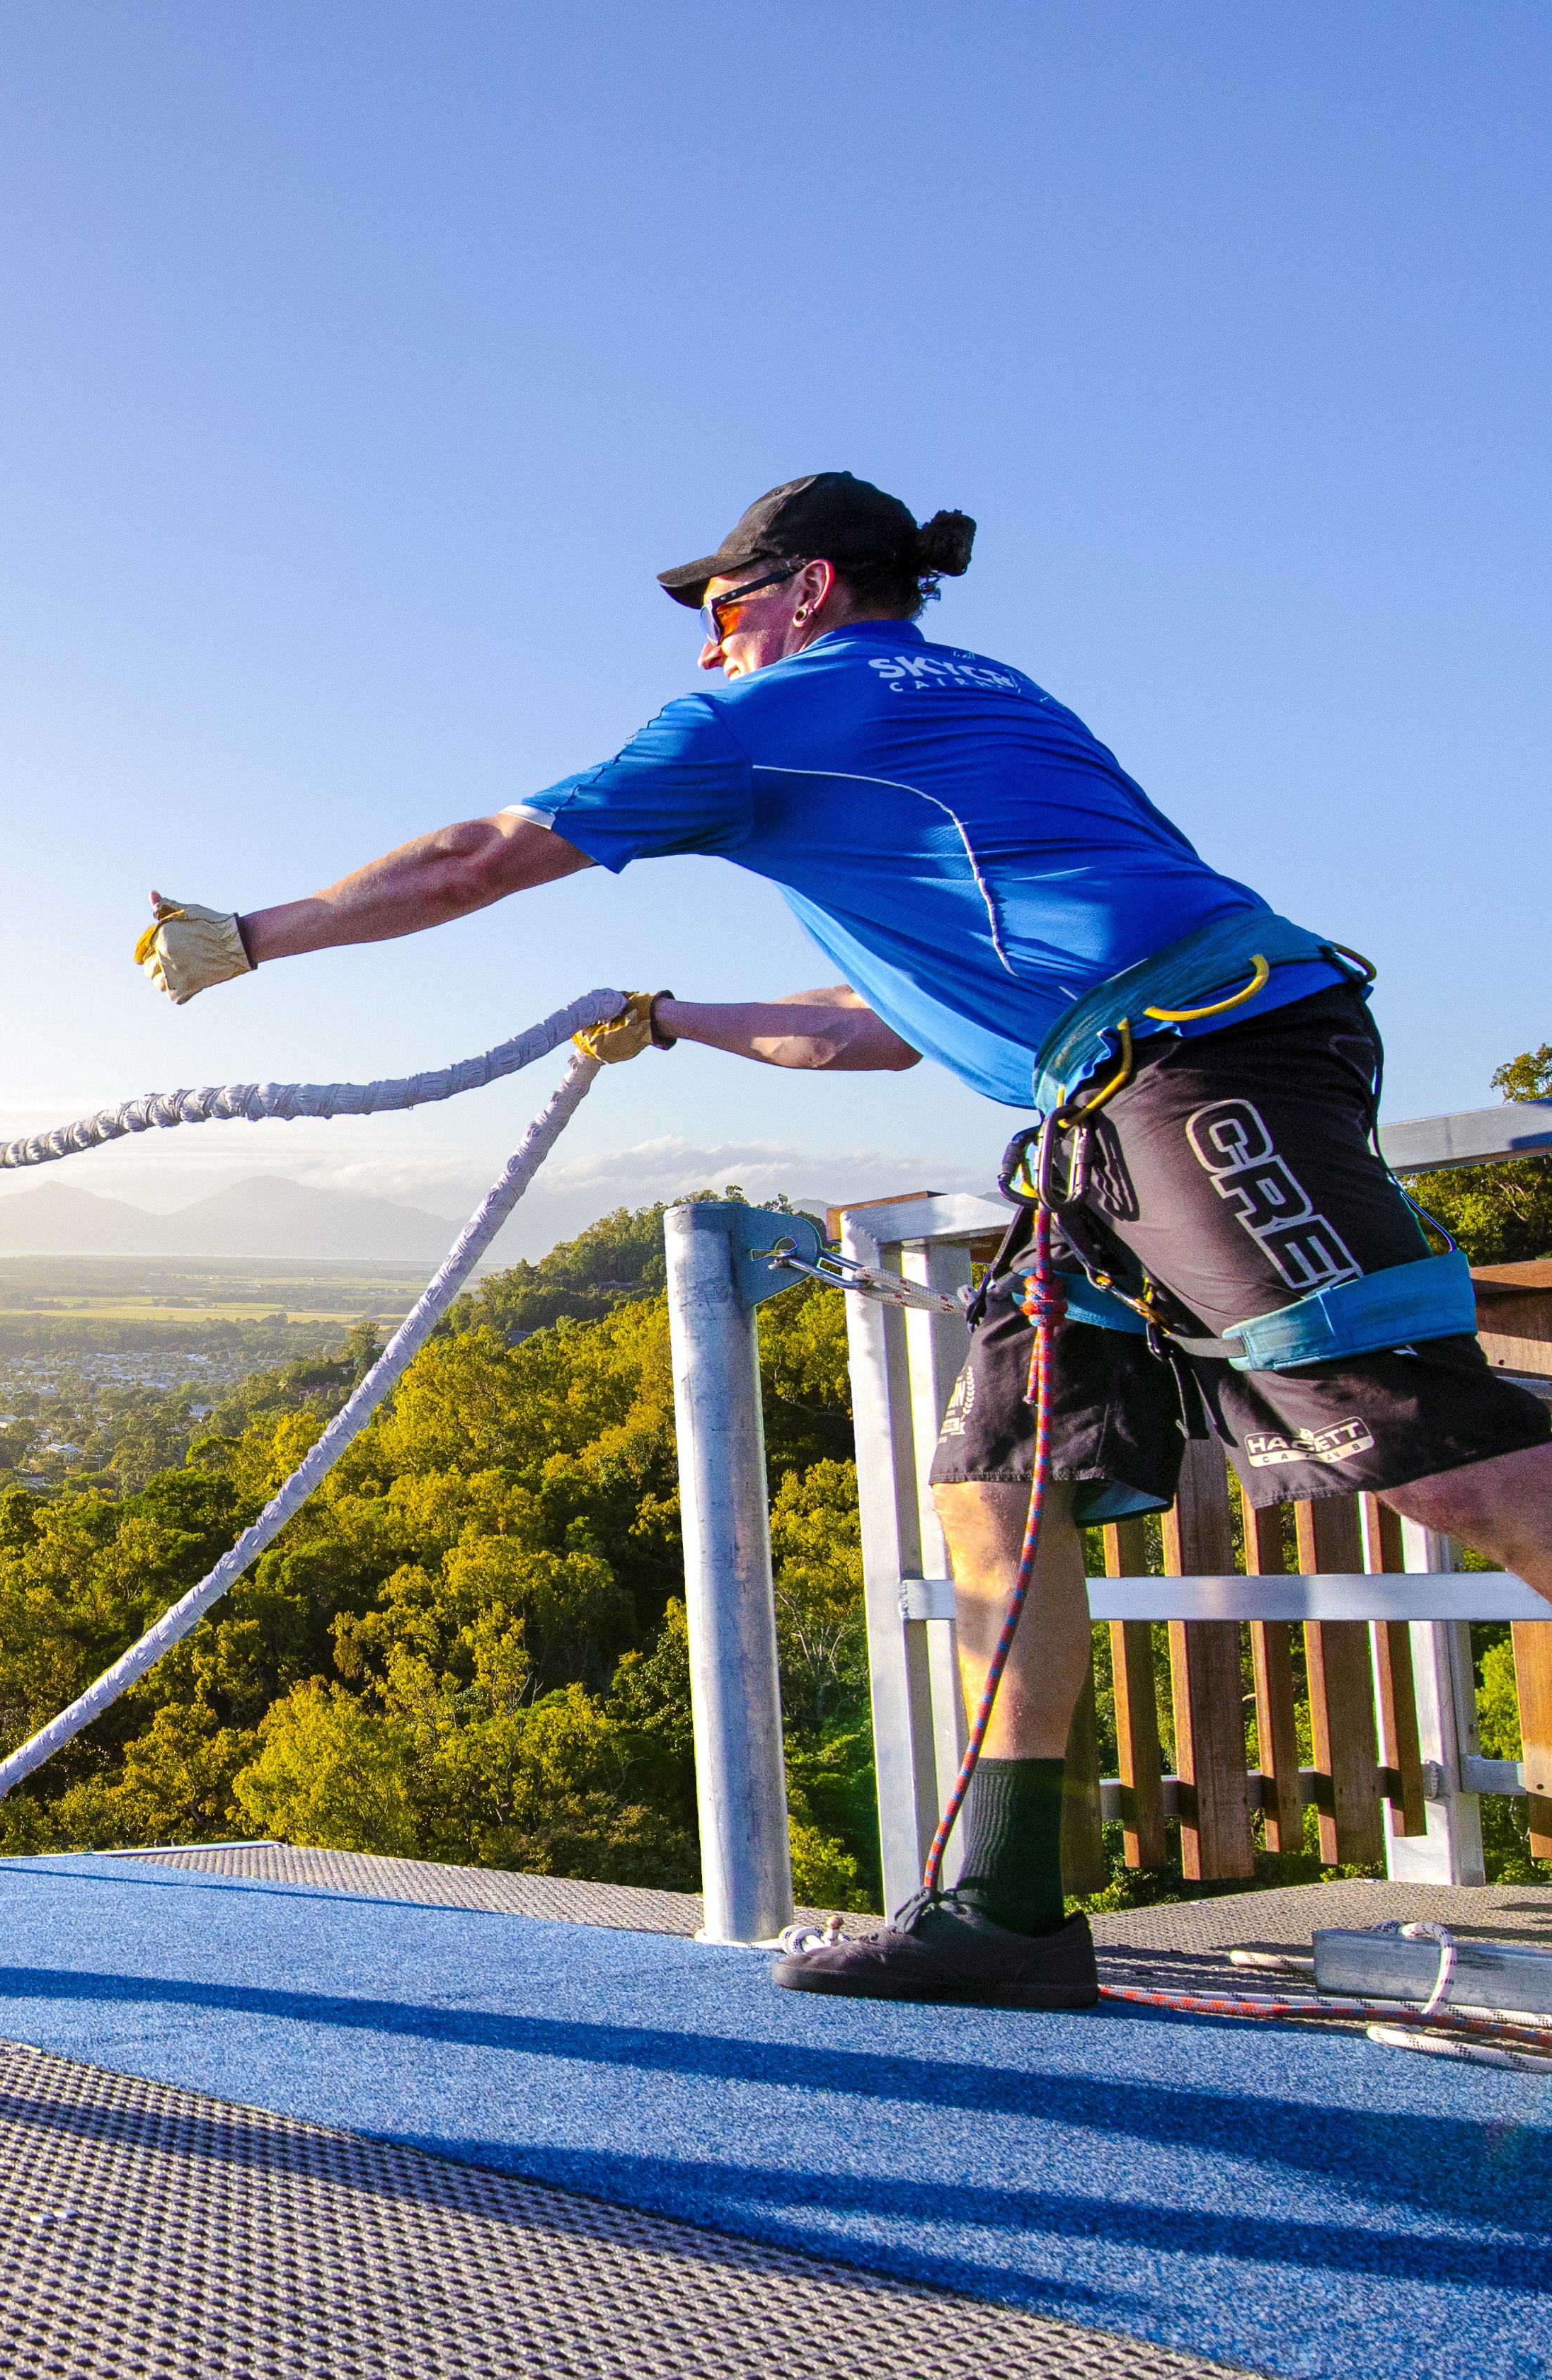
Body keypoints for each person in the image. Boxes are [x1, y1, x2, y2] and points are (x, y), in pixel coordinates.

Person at [139, 471, 1552, 2008]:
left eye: (720, 611)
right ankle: (1001, 1913)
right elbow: (884, 1029)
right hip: (1127, 1085)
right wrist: (676, 1020)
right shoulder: (977, 702)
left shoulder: (768, 715)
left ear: (803, 589)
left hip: (1193, 1069)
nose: (702, 651)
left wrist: (250, 934)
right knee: (999, 1496)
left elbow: (480, 852)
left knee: (1437, 1444)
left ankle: (1000, 1905)